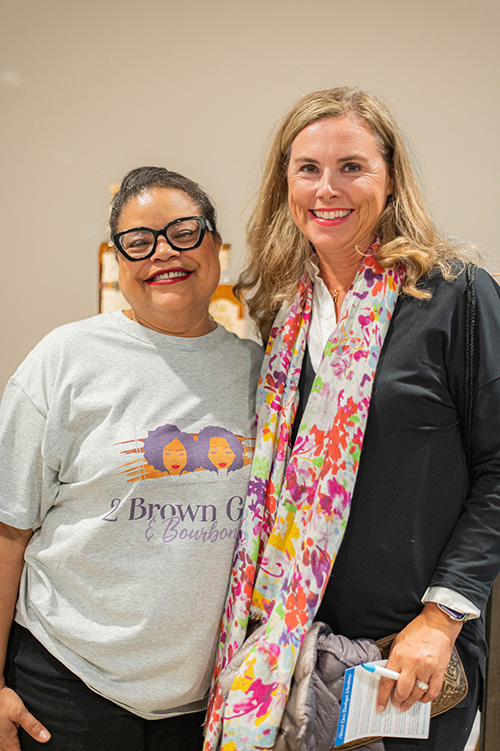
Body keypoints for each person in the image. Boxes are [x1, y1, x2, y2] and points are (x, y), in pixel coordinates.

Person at [203, 88, 500, 751]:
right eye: (308, 168)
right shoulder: (285, 315)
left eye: (351, 167)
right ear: (285, 184)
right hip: (289, 655)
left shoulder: (456, 296)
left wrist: (442, 617)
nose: (326, 189)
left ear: (390, 179)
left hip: (407, 657)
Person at [0, 166, 262, 751]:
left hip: (209, 701)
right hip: (66, 687)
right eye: (138, 242)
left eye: (183, 232)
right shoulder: (65, 359)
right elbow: (7, 531)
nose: (163, 253)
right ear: (118, 259)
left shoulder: (262, 373)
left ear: (216, 244)